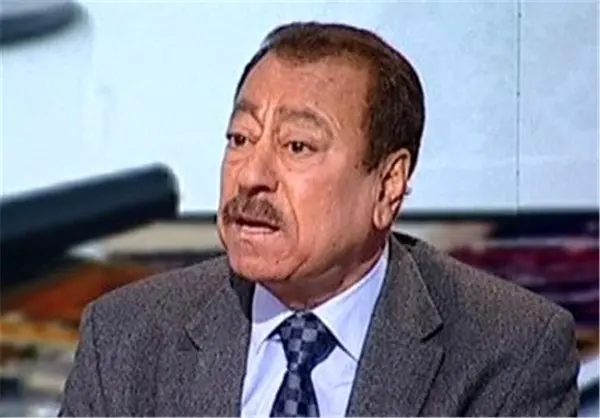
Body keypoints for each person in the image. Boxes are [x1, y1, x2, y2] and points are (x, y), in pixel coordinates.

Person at [59, 22, 580, 417]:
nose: (250, 175)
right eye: (240, 138)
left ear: (388, 184)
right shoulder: (126, 337)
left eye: (297, 146)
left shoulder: (509, 352)